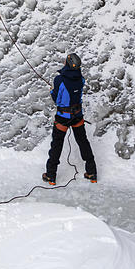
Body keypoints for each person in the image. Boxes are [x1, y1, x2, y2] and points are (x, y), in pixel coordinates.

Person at [42, 52, 97, 185]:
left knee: (57, 145)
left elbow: (57, 99)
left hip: (63, 117)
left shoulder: (59, 80)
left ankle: (51, 175)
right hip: (77, 116)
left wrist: (52, 91)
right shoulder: (81, 79)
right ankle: (92, 172)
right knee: (83, 142)